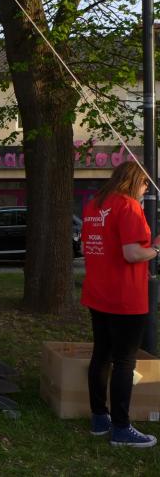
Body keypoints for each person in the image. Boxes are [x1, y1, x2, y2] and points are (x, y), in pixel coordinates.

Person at [81, 161, 159, 447]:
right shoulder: (129, 207)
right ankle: (122, 428)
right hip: (125, 296)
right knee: (124, 362)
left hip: (98, 292)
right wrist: (157, 248)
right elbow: (132, 253)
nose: (146, 190)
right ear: (135, 181)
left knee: (101, 355)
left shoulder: (94, 205)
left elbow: (91, 247)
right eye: (145, 184)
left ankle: (99, 418)